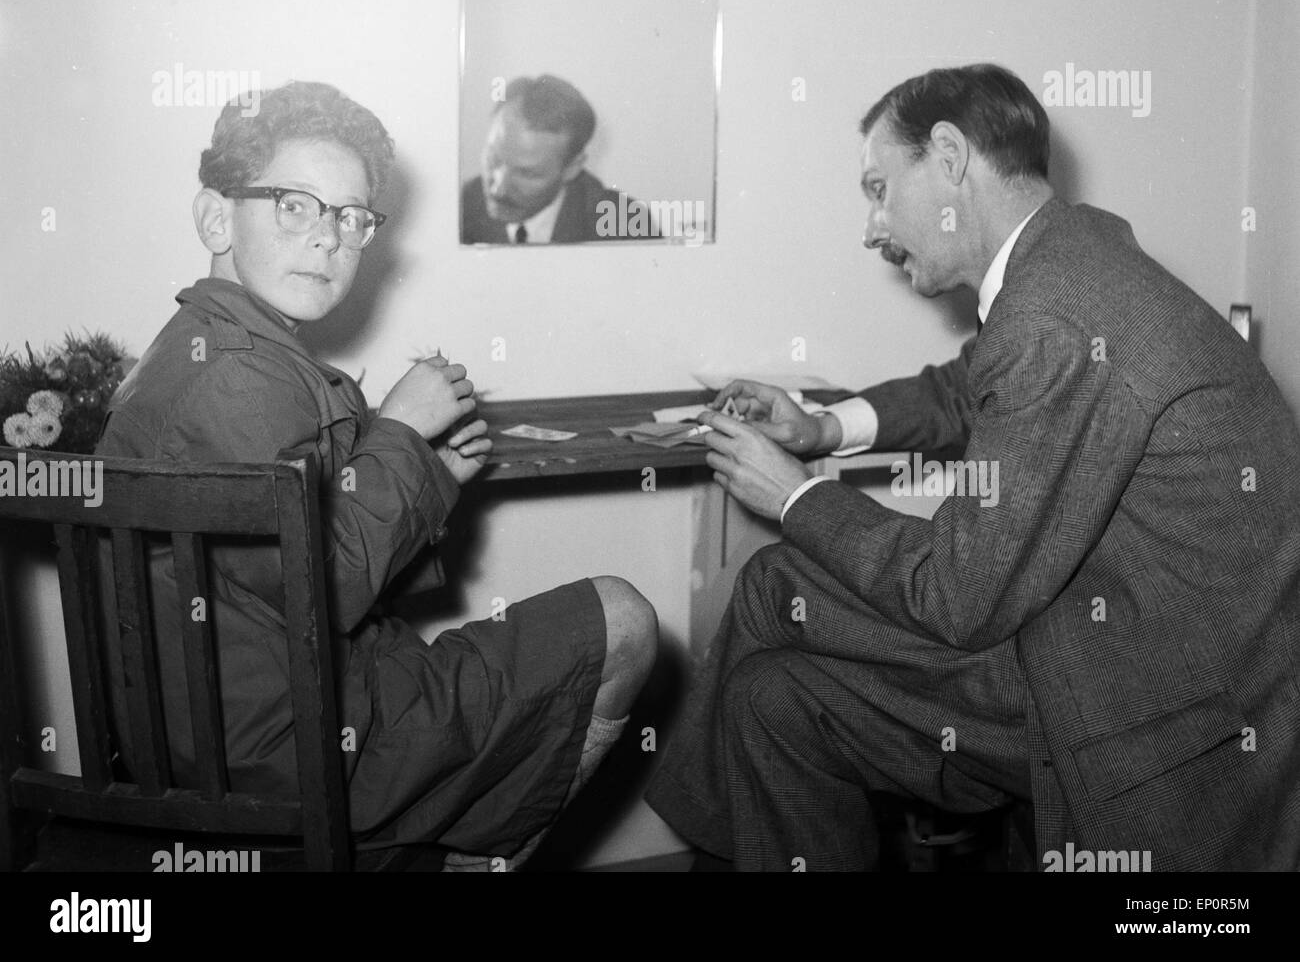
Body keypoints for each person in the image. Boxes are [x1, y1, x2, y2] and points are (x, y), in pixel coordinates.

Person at [645, 62, 1300, 871]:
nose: (871, 226)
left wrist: (796, 496)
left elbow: (959, 598)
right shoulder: (1072, 257)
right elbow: (969, 386)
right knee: (771, 699)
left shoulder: (1057, 313)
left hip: (1145, 700)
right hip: (1109, 639)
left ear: (950, 157)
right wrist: (821, 428)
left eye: (880, 188)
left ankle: (705, 841)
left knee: (778, 581)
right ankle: (722, 842)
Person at [97, 80, 657, 868]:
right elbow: (330, 586)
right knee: (624, 621)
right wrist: (398, 430)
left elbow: (286, 568)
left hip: (236, 735)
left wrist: (429, 472)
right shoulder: (233, 377)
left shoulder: (209, 349)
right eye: (295, 204)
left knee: (542, 656)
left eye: (352, 216)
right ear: (216, 216)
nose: (329, 238)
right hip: (294, 751)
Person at [461, 74, 652, 244]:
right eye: (494, 158)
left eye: (527, 173)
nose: (498, 188)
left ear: (572, 168)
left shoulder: (623, 225)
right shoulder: (453, 211)